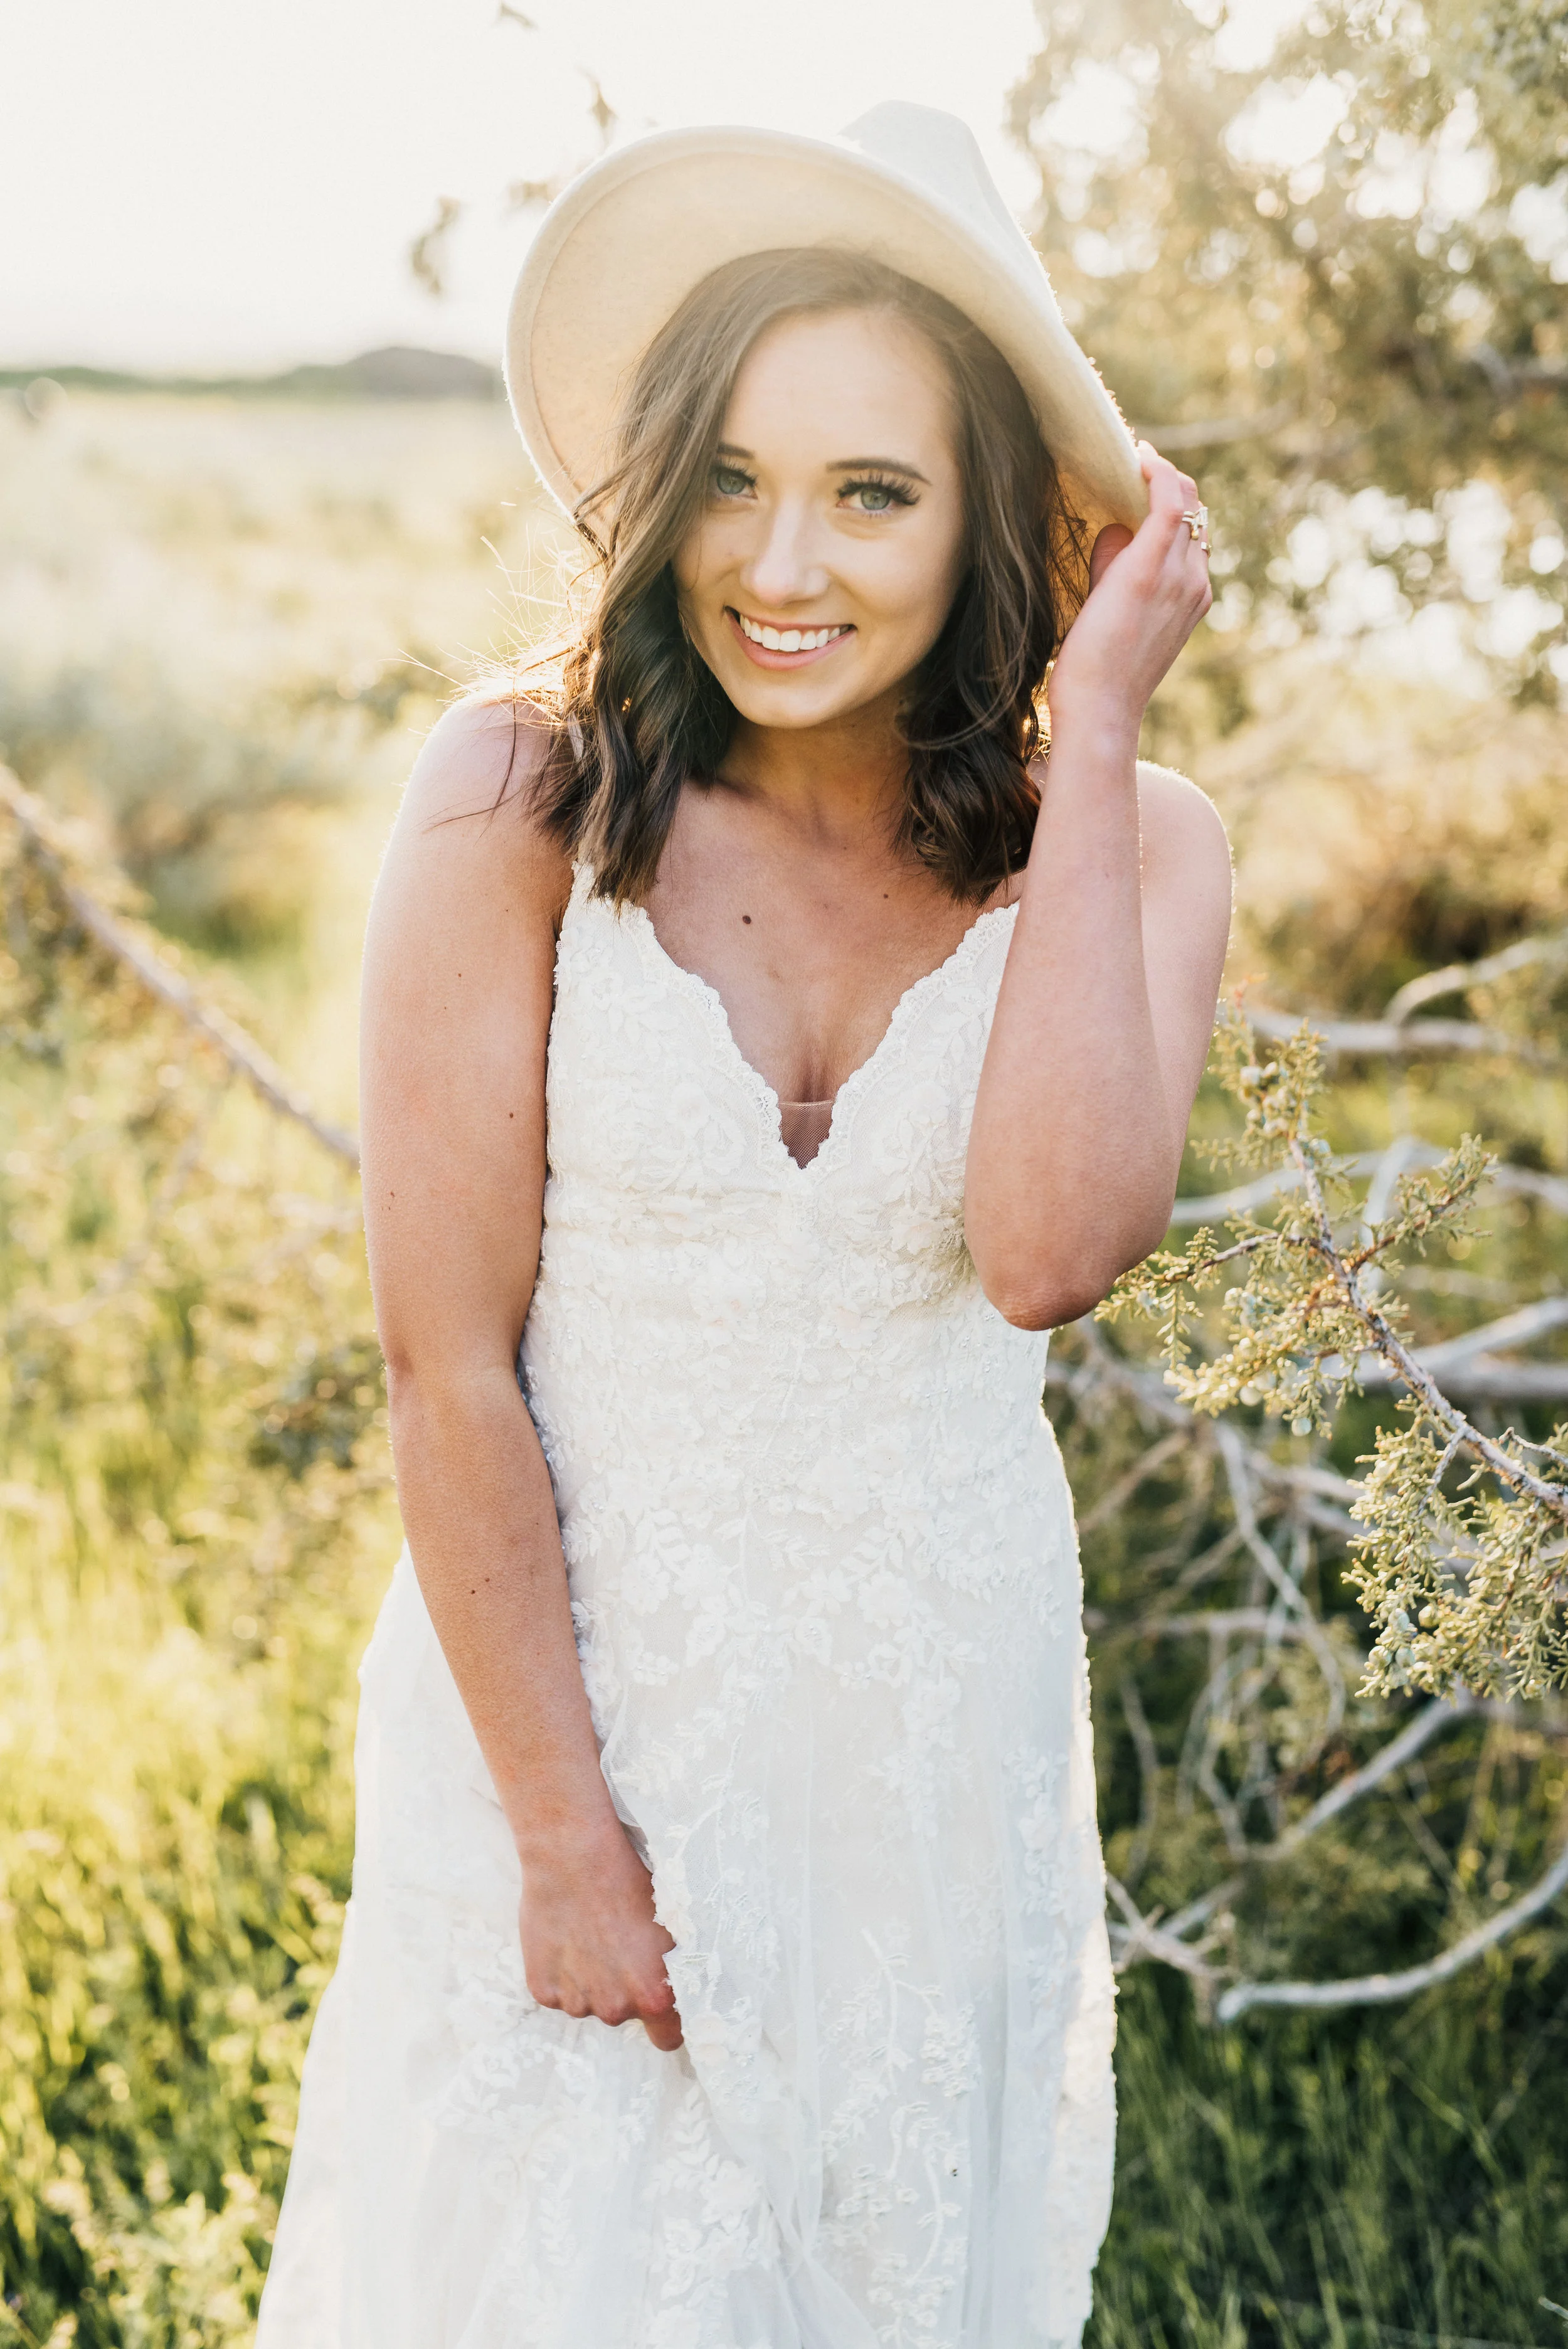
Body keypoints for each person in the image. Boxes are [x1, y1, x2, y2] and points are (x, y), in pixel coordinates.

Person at [257, 102, 1230, 2349]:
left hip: (926, 1727)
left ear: (991, 511)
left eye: (872, 491)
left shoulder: (1137, 847)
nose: (780, 561)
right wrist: (561, 1841)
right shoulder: (520, 792)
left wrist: (1091, 748)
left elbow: (1045, 1251)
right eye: (733, 475)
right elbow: (445, 1359)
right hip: (573, 1721)